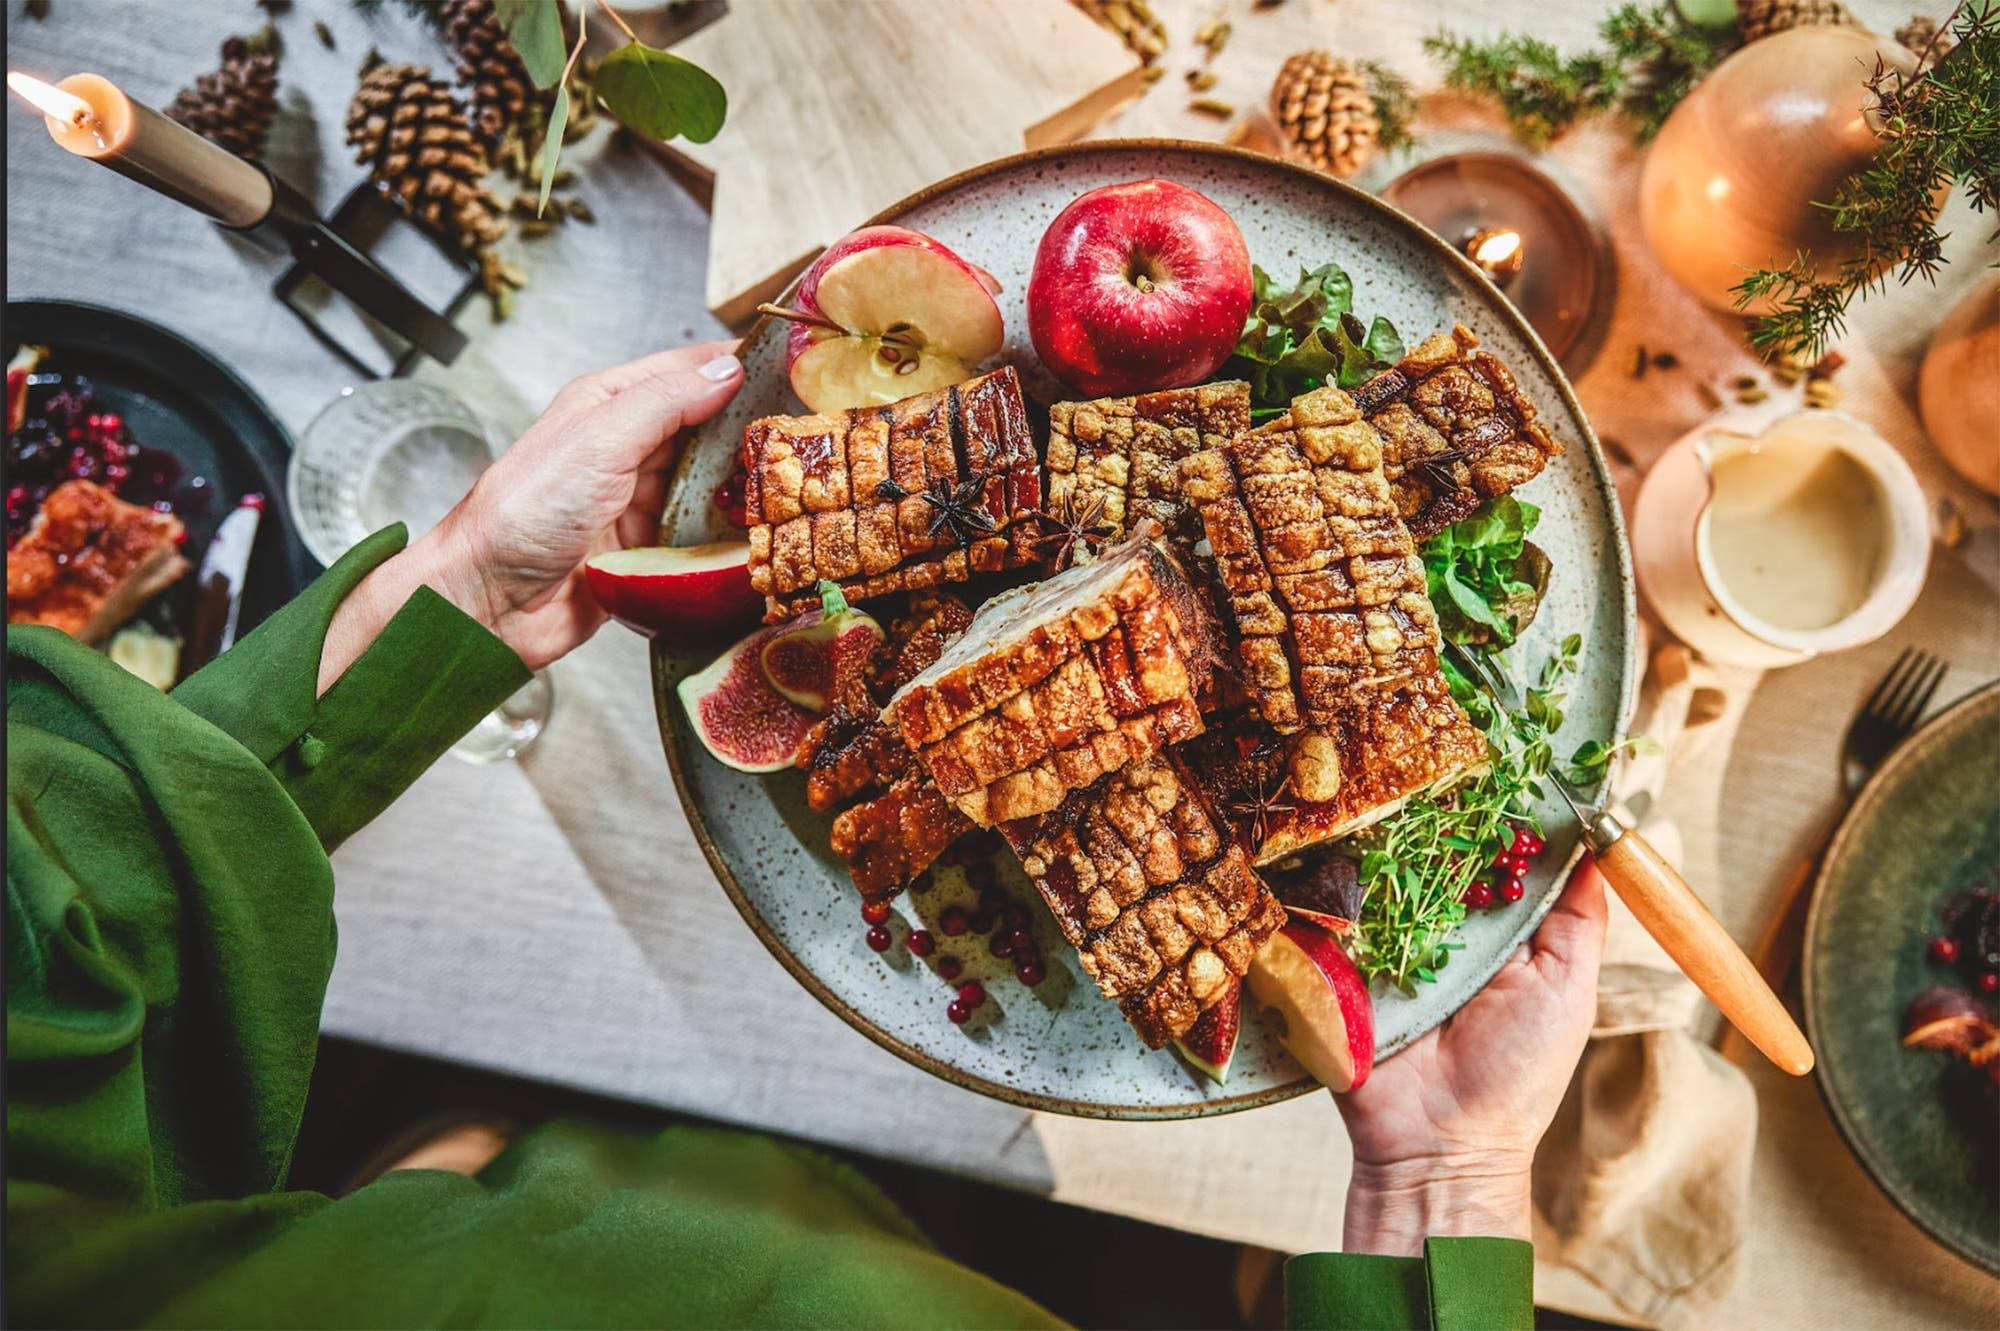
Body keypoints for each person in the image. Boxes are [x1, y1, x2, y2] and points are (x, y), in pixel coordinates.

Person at [7, 343, 1605, 1330]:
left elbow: (64, 906)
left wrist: (476, 586)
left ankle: (478, 1153)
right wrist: (1445, 1187)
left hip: (558, 1220)